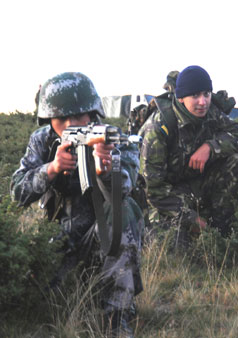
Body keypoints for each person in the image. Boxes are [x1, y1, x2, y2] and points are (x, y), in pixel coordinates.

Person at [10, 72, 144, 337]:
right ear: (49, 118)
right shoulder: (43, 140)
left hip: (100, 246)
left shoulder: (112, 140)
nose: (71, 124)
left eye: (80, 116)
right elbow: (17, 192)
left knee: (124, 210)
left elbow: (123, 193)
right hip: (56, 248)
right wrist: (51, 169)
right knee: (40, 303)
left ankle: (115, 314)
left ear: (93, 112)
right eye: (62, 118)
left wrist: (105, 170)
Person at [138, 65, 238, 241]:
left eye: (206, 94)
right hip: (165, 197)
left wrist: (211, 147)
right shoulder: (159, 128)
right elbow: (153, 190)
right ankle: (199, 229)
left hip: (195, 185)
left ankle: (220, 232)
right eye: (195, 96)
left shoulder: (212, 113)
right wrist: (192, 219)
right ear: (181, 98)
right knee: (172, 243)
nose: (203, 102)